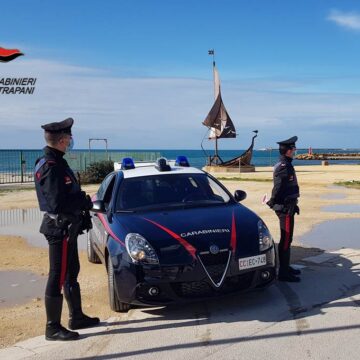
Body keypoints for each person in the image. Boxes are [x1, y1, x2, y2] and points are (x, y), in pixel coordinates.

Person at [34, 118, 99, 341]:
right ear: (62, 140)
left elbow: (66, 194)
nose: (71, 141)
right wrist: (82, 202)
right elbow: (55, 203)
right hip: (59, 228)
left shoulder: (58, 161)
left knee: (72, 271)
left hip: (68, 228)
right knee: (57, 275)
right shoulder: (51, 165)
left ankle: (77, 316)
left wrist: (82, 201)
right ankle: (52, 327)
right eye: (69, 138)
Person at [267, 136, 301, 282]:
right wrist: (272, 201)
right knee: (286, 239)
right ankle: (283, 273)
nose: (295, 151)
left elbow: (289, 187)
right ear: (288, 151)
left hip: (290, 206)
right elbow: (278, 187)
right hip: (285, 208)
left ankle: (286, 267)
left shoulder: (287, 164)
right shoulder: (283, 166)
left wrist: (295, 203)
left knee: (288, 238)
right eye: (293, 149)